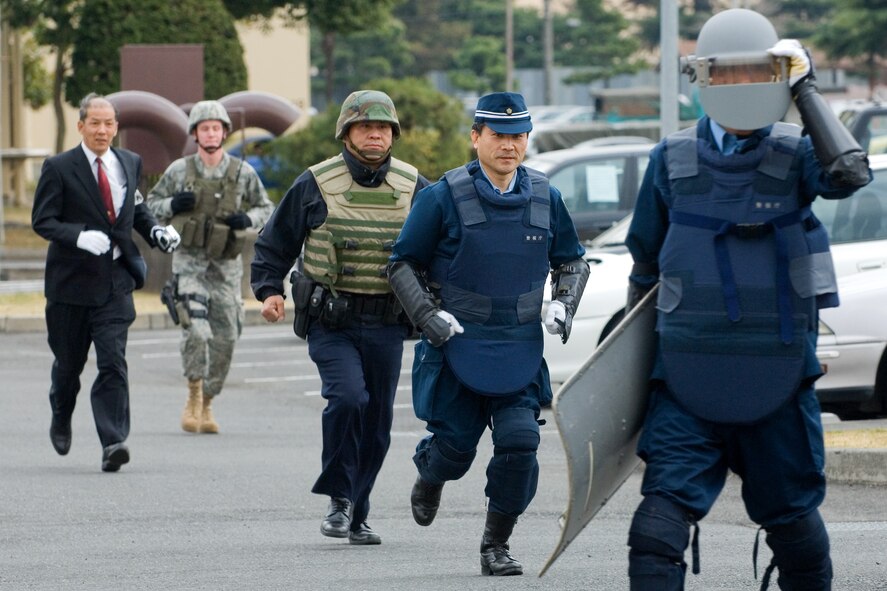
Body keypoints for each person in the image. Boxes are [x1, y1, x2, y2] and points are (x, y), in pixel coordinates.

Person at [623, 9, 871, 590]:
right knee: (654, 533)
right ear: (705, 79)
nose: (741, 86)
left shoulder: (799, 157)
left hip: (778, 380)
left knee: (796, 530)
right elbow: (644, 271)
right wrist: (634, 383)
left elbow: (850, 173)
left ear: (776, 77)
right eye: (727, 74)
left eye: (758, 73)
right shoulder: (670, 161)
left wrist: (804, 87)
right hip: (688, 381)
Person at [387, 91, 589, 576]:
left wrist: (564, 301)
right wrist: (427, 316)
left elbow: (572, 261)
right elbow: (402, 264)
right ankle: (430, 473)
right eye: (498, 135)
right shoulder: (443, 196)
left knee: (521, 443)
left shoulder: (546, 196)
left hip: (518, 347)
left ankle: (495, 544)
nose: (508, 145)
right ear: (476, 136)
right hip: (456, 345)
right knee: (454, 453)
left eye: (517, 135)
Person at [251, 90, 430, 545]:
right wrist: (269, 290)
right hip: (332, 321)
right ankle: (338, 499)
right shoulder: (315, 183)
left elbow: (443, 249)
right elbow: (275, 243)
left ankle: (357, 511)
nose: (376, 134)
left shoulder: (415, 187)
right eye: (366, 126)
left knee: (378, 425)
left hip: (388, 322)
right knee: (349, 399)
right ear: (347, 134)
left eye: (385, 127)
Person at [32, 92, 181, 472]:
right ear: (81, 125)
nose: (102, 130)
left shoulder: (128, 162)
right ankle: (61, 412)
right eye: (94, 123)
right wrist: (78, 235)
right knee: (68, 366)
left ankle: (113, 441)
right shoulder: (59, 167)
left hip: (115, 280)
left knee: (113, 361)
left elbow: (136, 208)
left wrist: (156, 233)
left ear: (117, 127)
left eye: (109, 123)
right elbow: (43, 221)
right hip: (71, 285)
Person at [147, 100, 274, 434]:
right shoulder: (179, 171)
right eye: (205, 128)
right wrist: (172, 204)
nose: (211, 133)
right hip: (189, 265)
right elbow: (150, 207)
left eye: (216, 128)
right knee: (197, 332)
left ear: (225, 133)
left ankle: (208, 400)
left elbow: (267, 208)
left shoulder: (242, 173)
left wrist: (248, 220)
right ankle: (192, 396)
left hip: (226, 269)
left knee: (227, 337)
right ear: (195, 134)